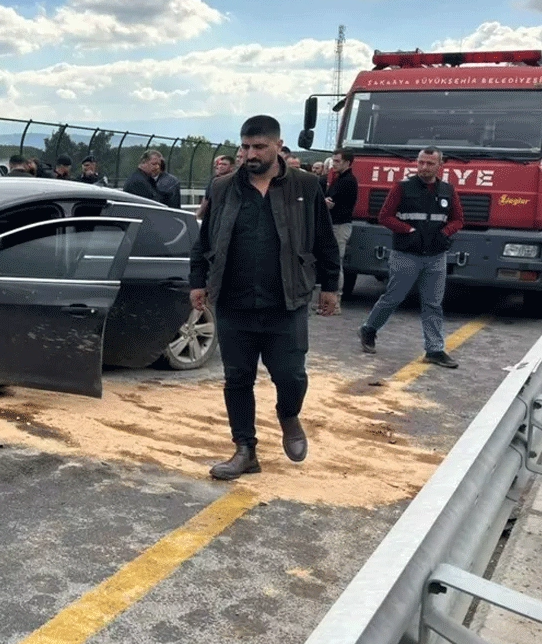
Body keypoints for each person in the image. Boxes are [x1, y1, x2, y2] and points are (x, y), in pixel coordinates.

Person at [189, 115, 340, 481]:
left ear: (277, 146)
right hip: (233, 302)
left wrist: (331, 286)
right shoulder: (224, 187)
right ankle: (245, 450)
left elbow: (324, 238)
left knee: (291, 376)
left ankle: (289, 415)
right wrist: (197, 281)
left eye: (258, 147)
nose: (250, 154)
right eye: (245, 147)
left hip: (285, 302)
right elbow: (205, 239)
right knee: (237, 378)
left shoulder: (304, 185)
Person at [359, 147, 463, 368]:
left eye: (429, 164)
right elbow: (384, 216)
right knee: (393, 297)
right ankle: (369, 329)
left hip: (436, 256)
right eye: (421, 163)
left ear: (439, 166)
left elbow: (458, 220)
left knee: (433, 304)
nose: (424, 167)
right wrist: (409, 231)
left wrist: (444, 233)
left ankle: (434, 350)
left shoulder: (447, 190)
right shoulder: (402, 187)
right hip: (407, 254)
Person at [325, 149, 359, 307]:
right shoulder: (338, 179)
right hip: (335, 224)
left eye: (337, 161)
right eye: (333, 160)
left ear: (347, 162)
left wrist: (328, 204)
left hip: (340, 225)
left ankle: (335, 300)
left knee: (335, 262)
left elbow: (334, 202)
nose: (334, 164)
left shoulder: (348, 181)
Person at [197, 155, 235, 220]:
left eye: (224, 164)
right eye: (220, 164)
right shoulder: (213, 181)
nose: (220, 166)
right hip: (213, 215)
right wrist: (198, 214)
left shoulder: (234, 181)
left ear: (231, 167)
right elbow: (207, 199)